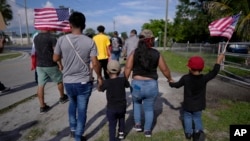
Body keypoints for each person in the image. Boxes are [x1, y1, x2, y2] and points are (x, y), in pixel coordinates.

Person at [53, 12, 103, 141]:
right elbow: (95, 63)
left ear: (70, 25)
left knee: (72, 105)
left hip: (68, 81)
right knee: (82, 110)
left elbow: (55, 58)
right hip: (84, 82)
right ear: (84, 25)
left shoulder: (62, 39)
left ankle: (73, 130)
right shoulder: (89, 41)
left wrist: (62, 57)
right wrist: (99, 77)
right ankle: (78, 137)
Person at [124, 30, 173, 137]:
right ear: (150, 40)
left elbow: (127, 68)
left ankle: (137, 124)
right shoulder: (156, 53)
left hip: (136, 84)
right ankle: (147, 130)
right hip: (151, 85)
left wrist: (124, 81)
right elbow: (165, 69)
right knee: (149, 108)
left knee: (136, 104)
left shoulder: (134, 52)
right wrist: (169, 79)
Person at [169, 54, 225, 141]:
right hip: (199, 105)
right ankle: (198, 133)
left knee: (187, 117)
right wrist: (218, 61)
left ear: (190, 68)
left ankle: (188, 133)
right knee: (197, 118)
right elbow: (214, 72)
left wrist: (171, 83)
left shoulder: (185, 78)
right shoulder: (204, 78)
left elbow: (177, 85)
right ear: (202, 68)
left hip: (188, 105)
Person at [34, 30, 68, 114]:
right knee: (59, 80)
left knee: (40, 85)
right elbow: (56, 52)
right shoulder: (52, 38)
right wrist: (60, 64)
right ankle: (62, 97)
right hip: (50, 64)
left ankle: (42, 106)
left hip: (39, 65)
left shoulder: (36, 37)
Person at [100, 60, 130, 141]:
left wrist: (100, 83)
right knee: (122, 118)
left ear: (107, 71)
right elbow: (128, 85)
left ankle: (112, 139)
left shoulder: (107, 82)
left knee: (112, 125)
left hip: (111, 108)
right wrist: (124, 76)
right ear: (119, 71)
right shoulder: (123, 80)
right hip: (122, 106)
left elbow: (101, 89)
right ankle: (121, 134)